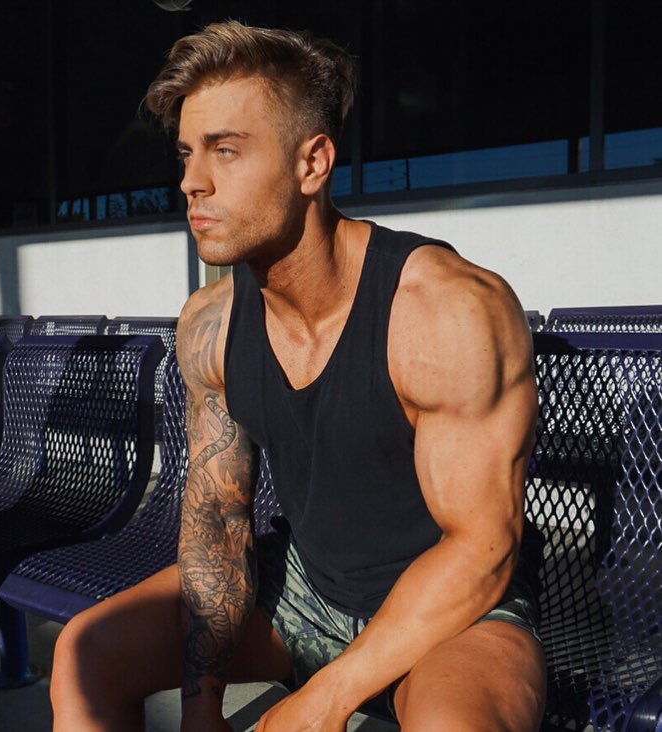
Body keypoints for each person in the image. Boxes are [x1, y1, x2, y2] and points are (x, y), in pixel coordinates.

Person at [50, 20, 546, 731]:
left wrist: (322, 700)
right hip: (303, 592)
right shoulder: (210, 325)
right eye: (188, 153)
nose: (192, 181)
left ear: (312, 164)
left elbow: (482, 549)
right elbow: (218, 518)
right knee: (84, 655)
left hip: (453, 610)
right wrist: (202, 706)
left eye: (227, 150)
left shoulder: (443, 310)